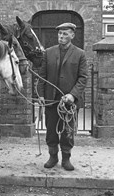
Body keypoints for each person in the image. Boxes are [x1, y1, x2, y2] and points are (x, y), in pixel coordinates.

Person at [37, 22, 87, 171]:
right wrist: (40, 95)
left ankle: (66, 159)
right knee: (51, 130)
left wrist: (73, 95)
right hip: (51, 100)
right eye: (59, 33)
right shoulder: (48, 52)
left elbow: (83, 78)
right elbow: (42, 76)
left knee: (68, 131)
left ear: (72, 35)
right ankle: (53, 157)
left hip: (69, 103)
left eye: (65, 34)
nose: (61, 36)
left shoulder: (80, 54)